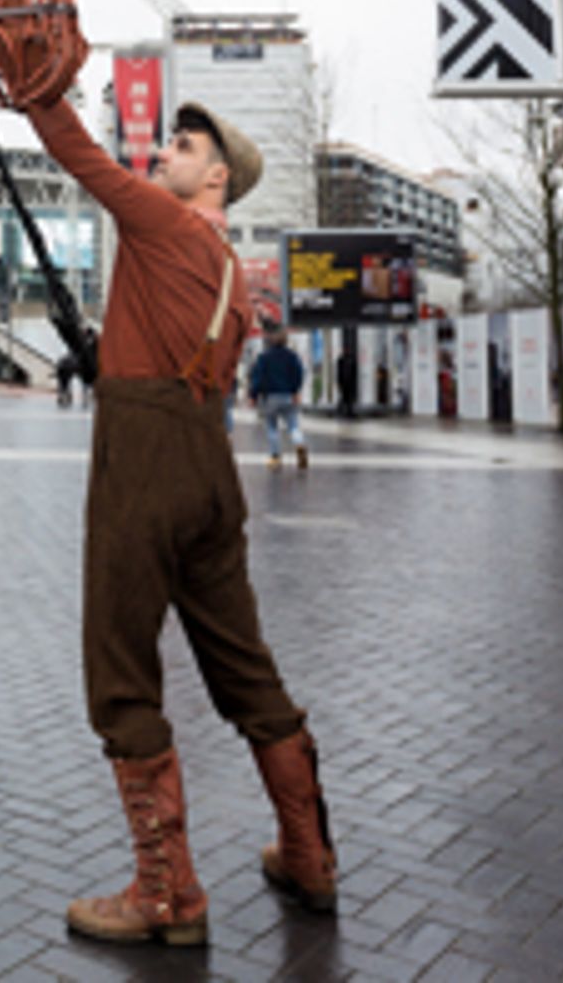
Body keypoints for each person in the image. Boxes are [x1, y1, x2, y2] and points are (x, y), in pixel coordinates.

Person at [25, 94, 337, 947]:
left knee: (120, 665)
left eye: (185, 144)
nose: (166, 151)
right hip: (209, 466)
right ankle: (308, 856)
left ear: (217, 176)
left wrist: (33, 86)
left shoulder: (162, 221)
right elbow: (180, 355)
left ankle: (166, 894)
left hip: (145, 460)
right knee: (244, 665)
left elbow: (72, 149)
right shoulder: (234, 272)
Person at [249, 325, 308, 470]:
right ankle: (299, 443)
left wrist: (253, 395)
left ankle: (275, 457)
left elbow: (258, 378)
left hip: (270, 397)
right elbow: (299, 374)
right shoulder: (292, 356)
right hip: (288, 395)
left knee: (272, 427)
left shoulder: (264, 357)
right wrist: (295, 391)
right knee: (293, 425)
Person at [335, 347, 357, 419]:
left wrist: (353, 382)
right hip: (343, 382)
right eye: (346, 350)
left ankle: (349, 412)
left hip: (349, 382)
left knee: (348, 398)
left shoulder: (351, 360)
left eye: (348, 350)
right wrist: (339, 382)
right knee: (344, 398)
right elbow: (339, 372)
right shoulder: (340, 360)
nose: (347, 351)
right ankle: (341, 411)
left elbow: (354, 372)